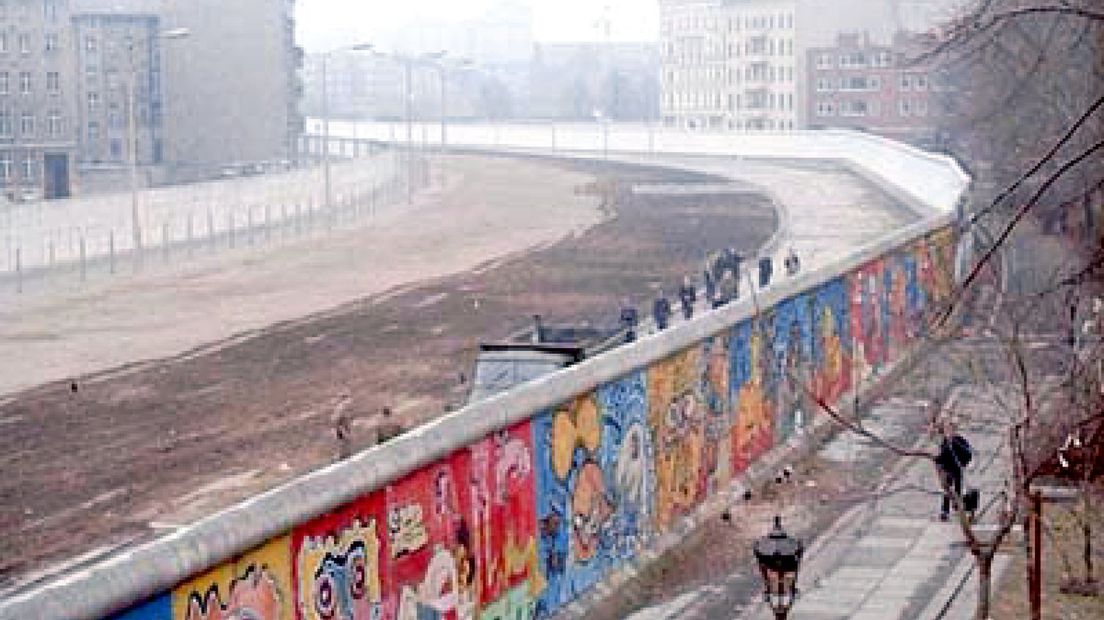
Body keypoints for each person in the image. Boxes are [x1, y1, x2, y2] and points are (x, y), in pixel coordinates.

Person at [935, 422, 972, 521]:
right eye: (947, 430)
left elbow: (968, 453)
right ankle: (945, 511)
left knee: (958, 489)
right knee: (947, 490)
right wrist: (939, 463)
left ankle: (957, 506)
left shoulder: (959, 440)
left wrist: (954, 443)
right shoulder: (945, 442)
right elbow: (942, 455)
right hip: (948, 469)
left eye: (950, 430)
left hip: (957, 468)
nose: (948, 432)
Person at [331, 390, 354, 460]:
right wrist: (343, 432)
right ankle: (340, 457)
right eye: (349, 398)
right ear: (344, 399)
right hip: (342, 430)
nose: (350, 400)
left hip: (345, 429)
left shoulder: (344, 408)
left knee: (347, 446)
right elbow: (335, 421)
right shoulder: (340, 409)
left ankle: (344, 456)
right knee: (344, 446)